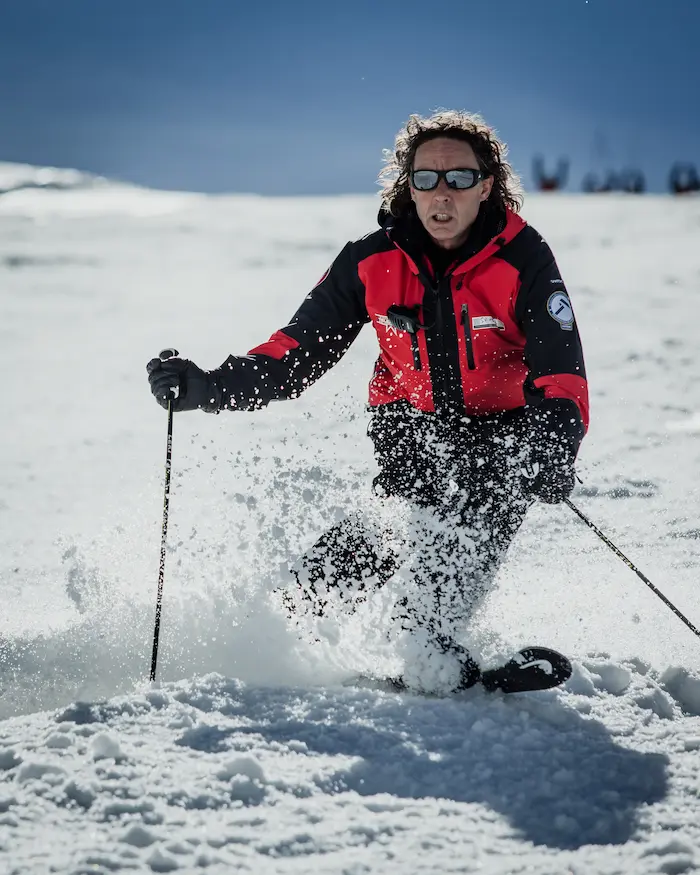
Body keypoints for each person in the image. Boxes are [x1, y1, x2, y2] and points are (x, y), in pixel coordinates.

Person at [147, 110, 588, 692]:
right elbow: (294, 352)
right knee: (309, 594)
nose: (441, 194)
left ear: (487, 185)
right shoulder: (369, 259)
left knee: (428, 603)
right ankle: (272, 654)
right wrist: (208, 386)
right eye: (425, 178)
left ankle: (432, 658)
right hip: (411, 435)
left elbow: (561, 367)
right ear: (408, 184)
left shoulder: (523, 257)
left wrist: (551, 444)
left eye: (458, 178)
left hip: (500, 447)